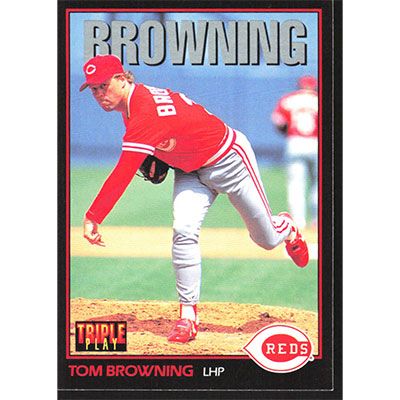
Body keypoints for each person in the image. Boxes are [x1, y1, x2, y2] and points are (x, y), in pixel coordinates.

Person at [80, 54, 309, 343]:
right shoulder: (133, 104)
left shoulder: (144, 111)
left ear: (122, 78)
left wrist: (94, 216)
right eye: (93, 89)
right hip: (190, 171)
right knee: (183, 230)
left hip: (229, 160)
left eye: (103, 85)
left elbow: (123, 172)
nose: (99, 94)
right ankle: (188, 317)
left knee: (266, 239)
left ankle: (286, 228)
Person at [271, 76, 319, 229]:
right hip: (316, 142)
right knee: (319, 184)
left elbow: (279, 122)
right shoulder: (320, 99)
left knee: (296, 184)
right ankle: (317, 221)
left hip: (295, 142)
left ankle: (298, 222)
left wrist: (287, 131)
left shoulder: (288, 99)